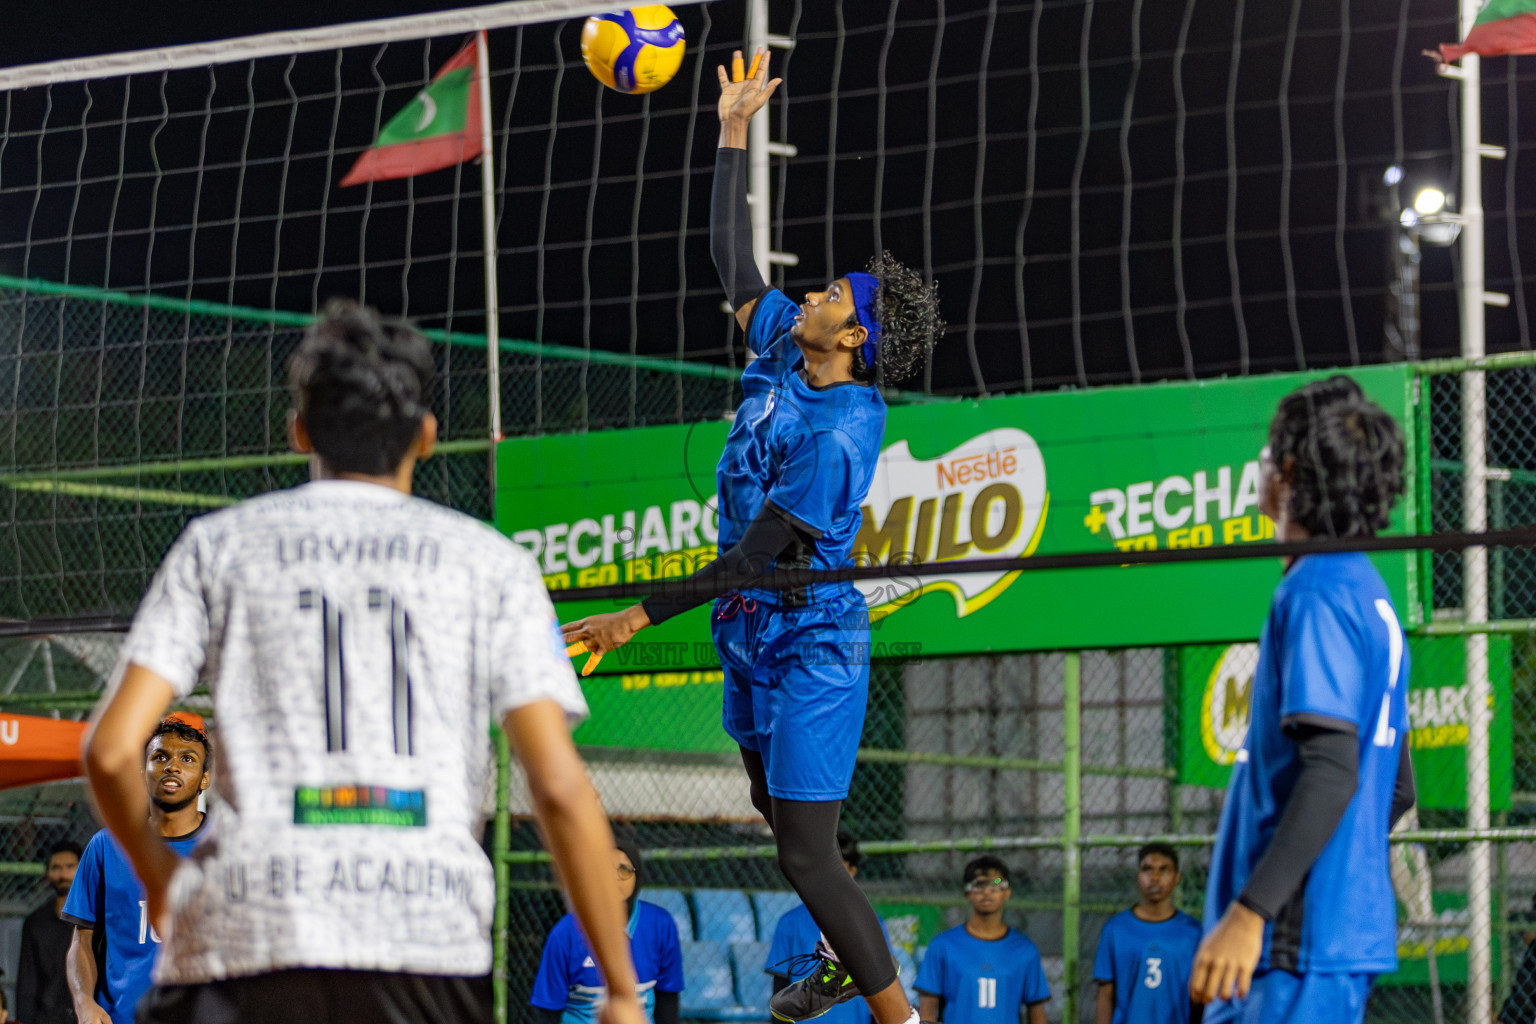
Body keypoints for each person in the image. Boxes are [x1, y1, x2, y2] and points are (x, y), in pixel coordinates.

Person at [77, 301, 644, 1024]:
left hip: (243, 933)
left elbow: (110, 750)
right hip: (424, 939)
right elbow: (559, 787)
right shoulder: (489, 564)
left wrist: (164, 884)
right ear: (427, 436)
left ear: (299, 432)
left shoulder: (220, 545)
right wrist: (620, 988)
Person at [561, 45, 942, 1024]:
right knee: (779, 820)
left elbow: (754, 556)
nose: (814, 291)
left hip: (810, 636)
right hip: (749, 629)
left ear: (854, 338)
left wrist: (635, 617)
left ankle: (901, 1017)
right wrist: (732, 128)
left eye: (833, 295)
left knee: (806, 853)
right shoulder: (783, 344)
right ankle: (842, 953)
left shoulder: (841, 433)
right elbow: (733, 259)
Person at [1189, 375, 1418, 1024]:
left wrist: (1251, 911)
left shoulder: (1316, 589)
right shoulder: (1370, 593)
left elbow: (1332, 771)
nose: (1259, 464)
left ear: (1288, 471)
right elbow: (1396, 789)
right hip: (1329, 936)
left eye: (1267, 451)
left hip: (1290, 942)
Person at [63, 719, 211, 1024]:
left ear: (205, 779)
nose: (172, 766)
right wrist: (83, 1001)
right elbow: (82, 939)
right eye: (160, 756)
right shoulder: (106, 845)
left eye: (187, 759)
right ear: (143, 772)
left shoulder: (229, 846)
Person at [531, 836, 683, 1024]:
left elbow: (667, 1001)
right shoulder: (565, 933)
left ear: (638, 877)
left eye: (624, 870)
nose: (614, 878)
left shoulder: (660, 925)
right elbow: (548, 1010)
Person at [766, 832, 891, 1024]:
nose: (831, 876)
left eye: (839, 868)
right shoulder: (790, 923)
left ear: (852, 871)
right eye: (825, 868)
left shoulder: (873, 924)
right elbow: (781, 990)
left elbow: (882, 988)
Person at [914, 857, 1049, 1024]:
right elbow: (928, 1011)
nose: (987, 892)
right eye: (979, 885)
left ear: (1007, 892)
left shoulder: (1025, 950)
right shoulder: (942, 946)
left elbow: (1036, 1010)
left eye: (996, 884)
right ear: (967, 893)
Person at [1093, 843, 1203, 1024]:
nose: (1155, 878)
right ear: (1138, 877)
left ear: (1177, 878)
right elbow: (1105, 995)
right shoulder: (1115, 929)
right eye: (1147, 870)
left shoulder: (1193, 932)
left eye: (1164, 870)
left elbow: (1201, 997)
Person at [16, 839, 82, 1024]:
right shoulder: (35, 923)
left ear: (82, 869)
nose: (63, 874)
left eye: (70, 866)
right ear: (47, 873)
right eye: (56, 868)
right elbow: (27, 984)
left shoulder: (99, 918)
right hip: (47, 1018)